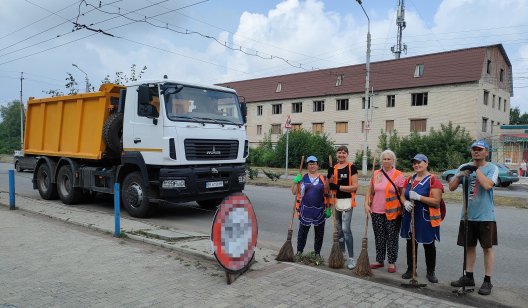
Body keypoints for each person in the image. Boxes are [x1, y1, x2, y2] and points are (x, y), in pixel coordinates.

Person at [448, 140, 499, 296]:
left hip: (485, 216)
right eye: (474, 149)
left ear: (486, 152)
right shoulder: (464, 166)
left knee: (487, 248)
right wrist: (460, 174)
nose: (476, 152)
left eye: (480, 149)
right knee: (469, 247)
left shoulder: (492, 168)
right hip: (467, 216)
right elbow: (451, 187)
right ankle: (468, 277)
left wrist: (476, 170)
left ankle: (487, 281)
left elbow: (488, 185)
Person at [400, 154, 444, 283]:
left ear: (426, 163)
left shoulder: (433, 180)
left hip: (425, 217)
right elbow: (402, 195)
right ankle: (411, 269)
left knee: (428, 244)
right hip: (410, 216)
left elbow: (436, 201)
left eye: (419, 162)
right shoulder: (409, 179)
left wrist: (419, 197)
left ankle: (431, 272)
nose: (416, 165)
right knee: (411, 243)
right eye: (414, 163)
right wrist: (404, 202)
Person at [365, 149, 404, 273]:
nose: (386, 161)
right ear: (381, 160)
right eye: (384, 159)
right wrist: (366, 204)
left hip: (393, 212)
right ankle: (379, 260)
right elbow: (370, 191)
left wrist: (406, 205)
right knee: (379, 236)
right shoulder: (376, 173)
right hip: (376, 211)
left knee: (392, 237)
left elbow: (403, 194)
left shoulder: (399, 174)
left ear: (393, 161)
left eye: (389, 159)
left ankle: (391, 262)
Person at [292, 155, 329, 262]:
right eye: (310, 164)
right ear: (307, 166)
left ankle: (317, 253)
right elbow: (294, 192)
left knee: (319, 234)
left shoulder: (323, 179)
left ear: (318, 165)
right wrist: (295, 181)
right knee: (302, 232)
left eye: (314, 164)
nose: (312, 166)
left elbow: (329, 194)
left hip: (319, 210)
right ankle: (299, 252)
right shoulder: (302, 178)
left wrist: (329, 208)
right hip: (305, 210)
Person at [327, 146, 359, 269]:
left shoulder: (352, 167)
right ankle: (342, 254)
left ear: (347, 155)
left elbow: (355, 187)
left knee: (346, 229)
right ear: (337, 154)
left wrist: (338, 186)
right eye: (339, 153)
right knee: (339, 229)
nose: (341, 155)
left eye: (344, 153)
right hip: (336, 202)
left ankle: (351, 258)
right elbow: (328, 186)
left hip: (348, 202)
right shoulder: (333, 168)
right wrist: (329, 177)